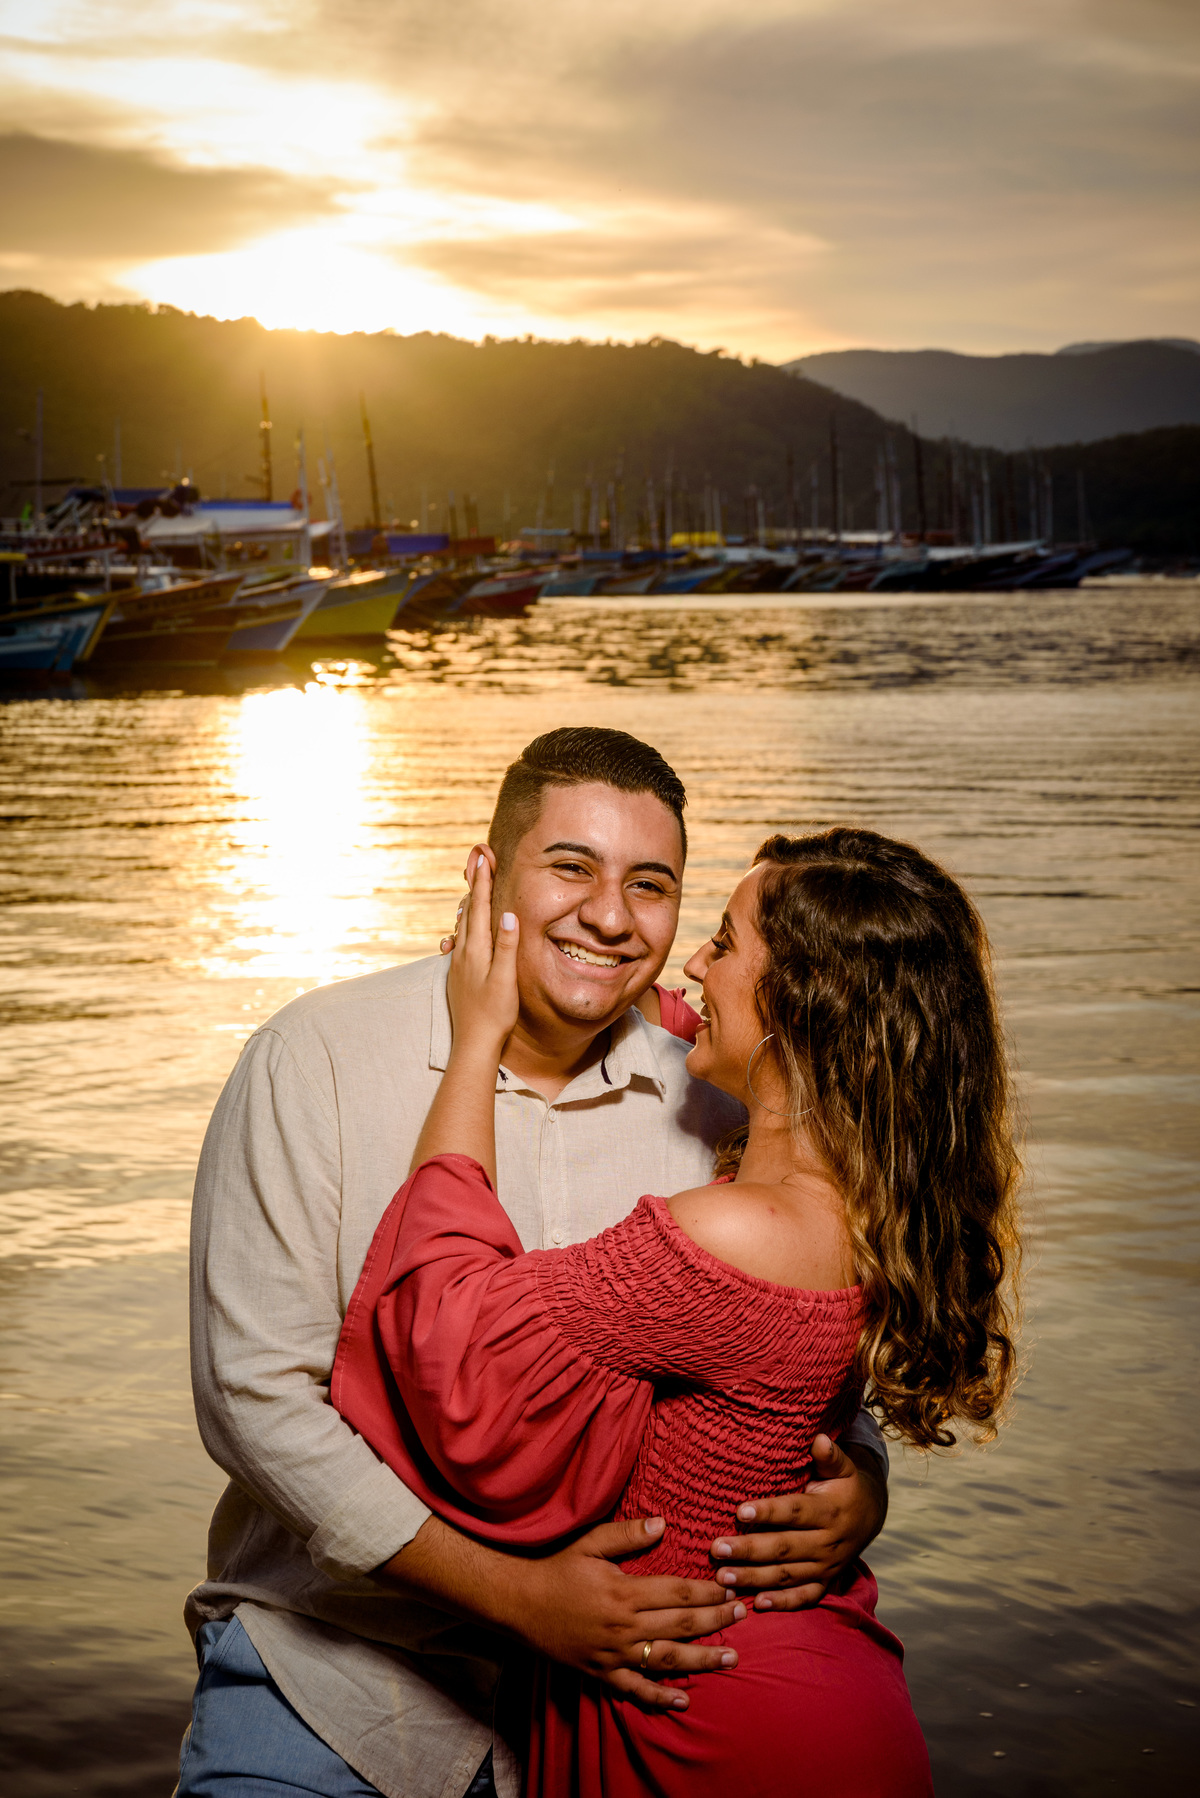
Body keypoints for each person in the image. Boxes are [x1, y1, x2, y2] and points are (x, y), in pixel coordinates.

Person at [180, 729, 890, 1798]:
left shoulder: (717, 1095)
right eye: (571, 867)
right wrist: (518, 1595)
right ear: (489, 870)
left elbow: (792, 1346)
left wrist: (863, 1485)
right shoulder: (315, 1057)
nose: (610, 916)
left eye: (650, 885)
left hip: (612, 1720)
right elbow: (251, 1396)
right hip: (333, 1684)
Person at [333, 827, 1022, 1796]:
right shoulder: (867, 1205)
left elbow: (449, 1336)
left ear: (800, 1003)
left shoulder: (733, 1234)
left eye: (727, 943)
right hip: (813, 1686)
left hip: (724, 1720)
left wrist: (479, 1032)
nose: (694, 961)